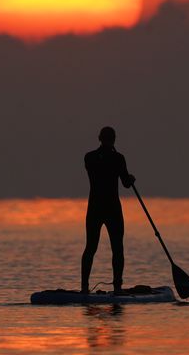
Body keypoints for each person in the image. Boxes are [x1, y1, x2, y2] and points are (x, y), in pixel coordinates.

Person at [81, 126, 135, 295]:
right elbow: (126, 183)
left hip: (95, 208)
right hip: (112, 208)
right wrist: (131, 178)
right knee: (117, 248)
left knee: (90, 247)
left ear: (99, 138)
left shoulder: (89, 157)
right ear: (114, 139)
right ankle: (117, 287)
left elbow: (98, 166)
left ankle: (84, 287)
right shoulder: (118, 158)